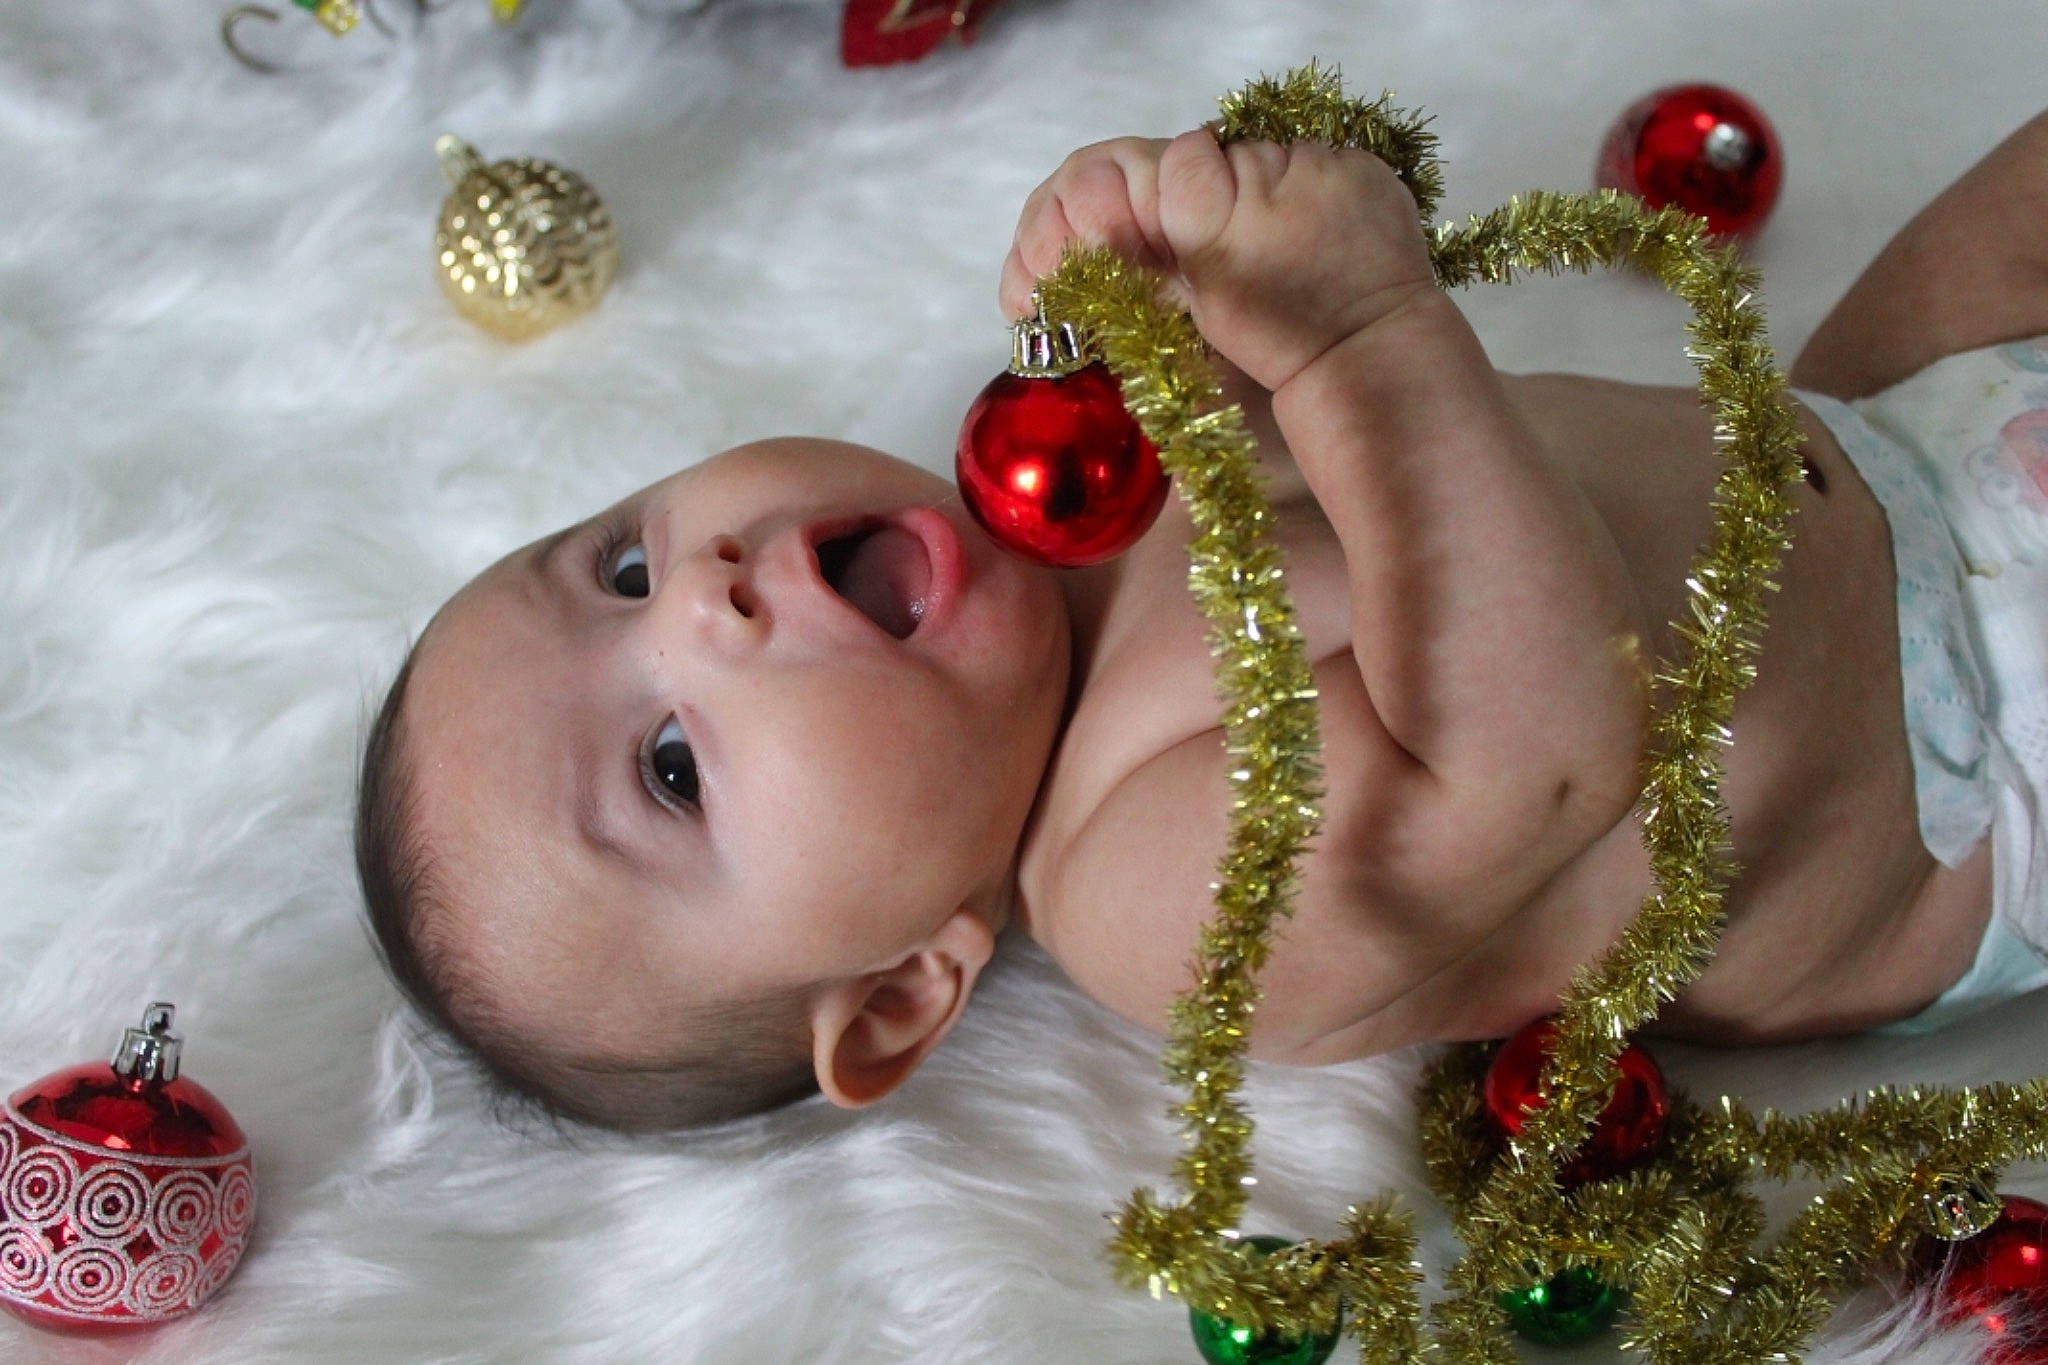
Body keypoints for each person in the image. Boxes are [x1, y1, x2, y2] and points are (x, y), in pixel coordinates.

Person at [355, 111, 2048, 1132]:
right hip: (1970, 767)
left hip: (1874, 435)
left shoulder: (1070, 473)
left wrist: (1197, 246)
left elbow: (1313, 333)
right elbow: (1540, 753)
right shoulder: (1150, 894)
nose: (698, 598)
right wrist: (1360, 334)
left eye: (620, 568)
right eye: (668, 767)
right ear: (896, 999)